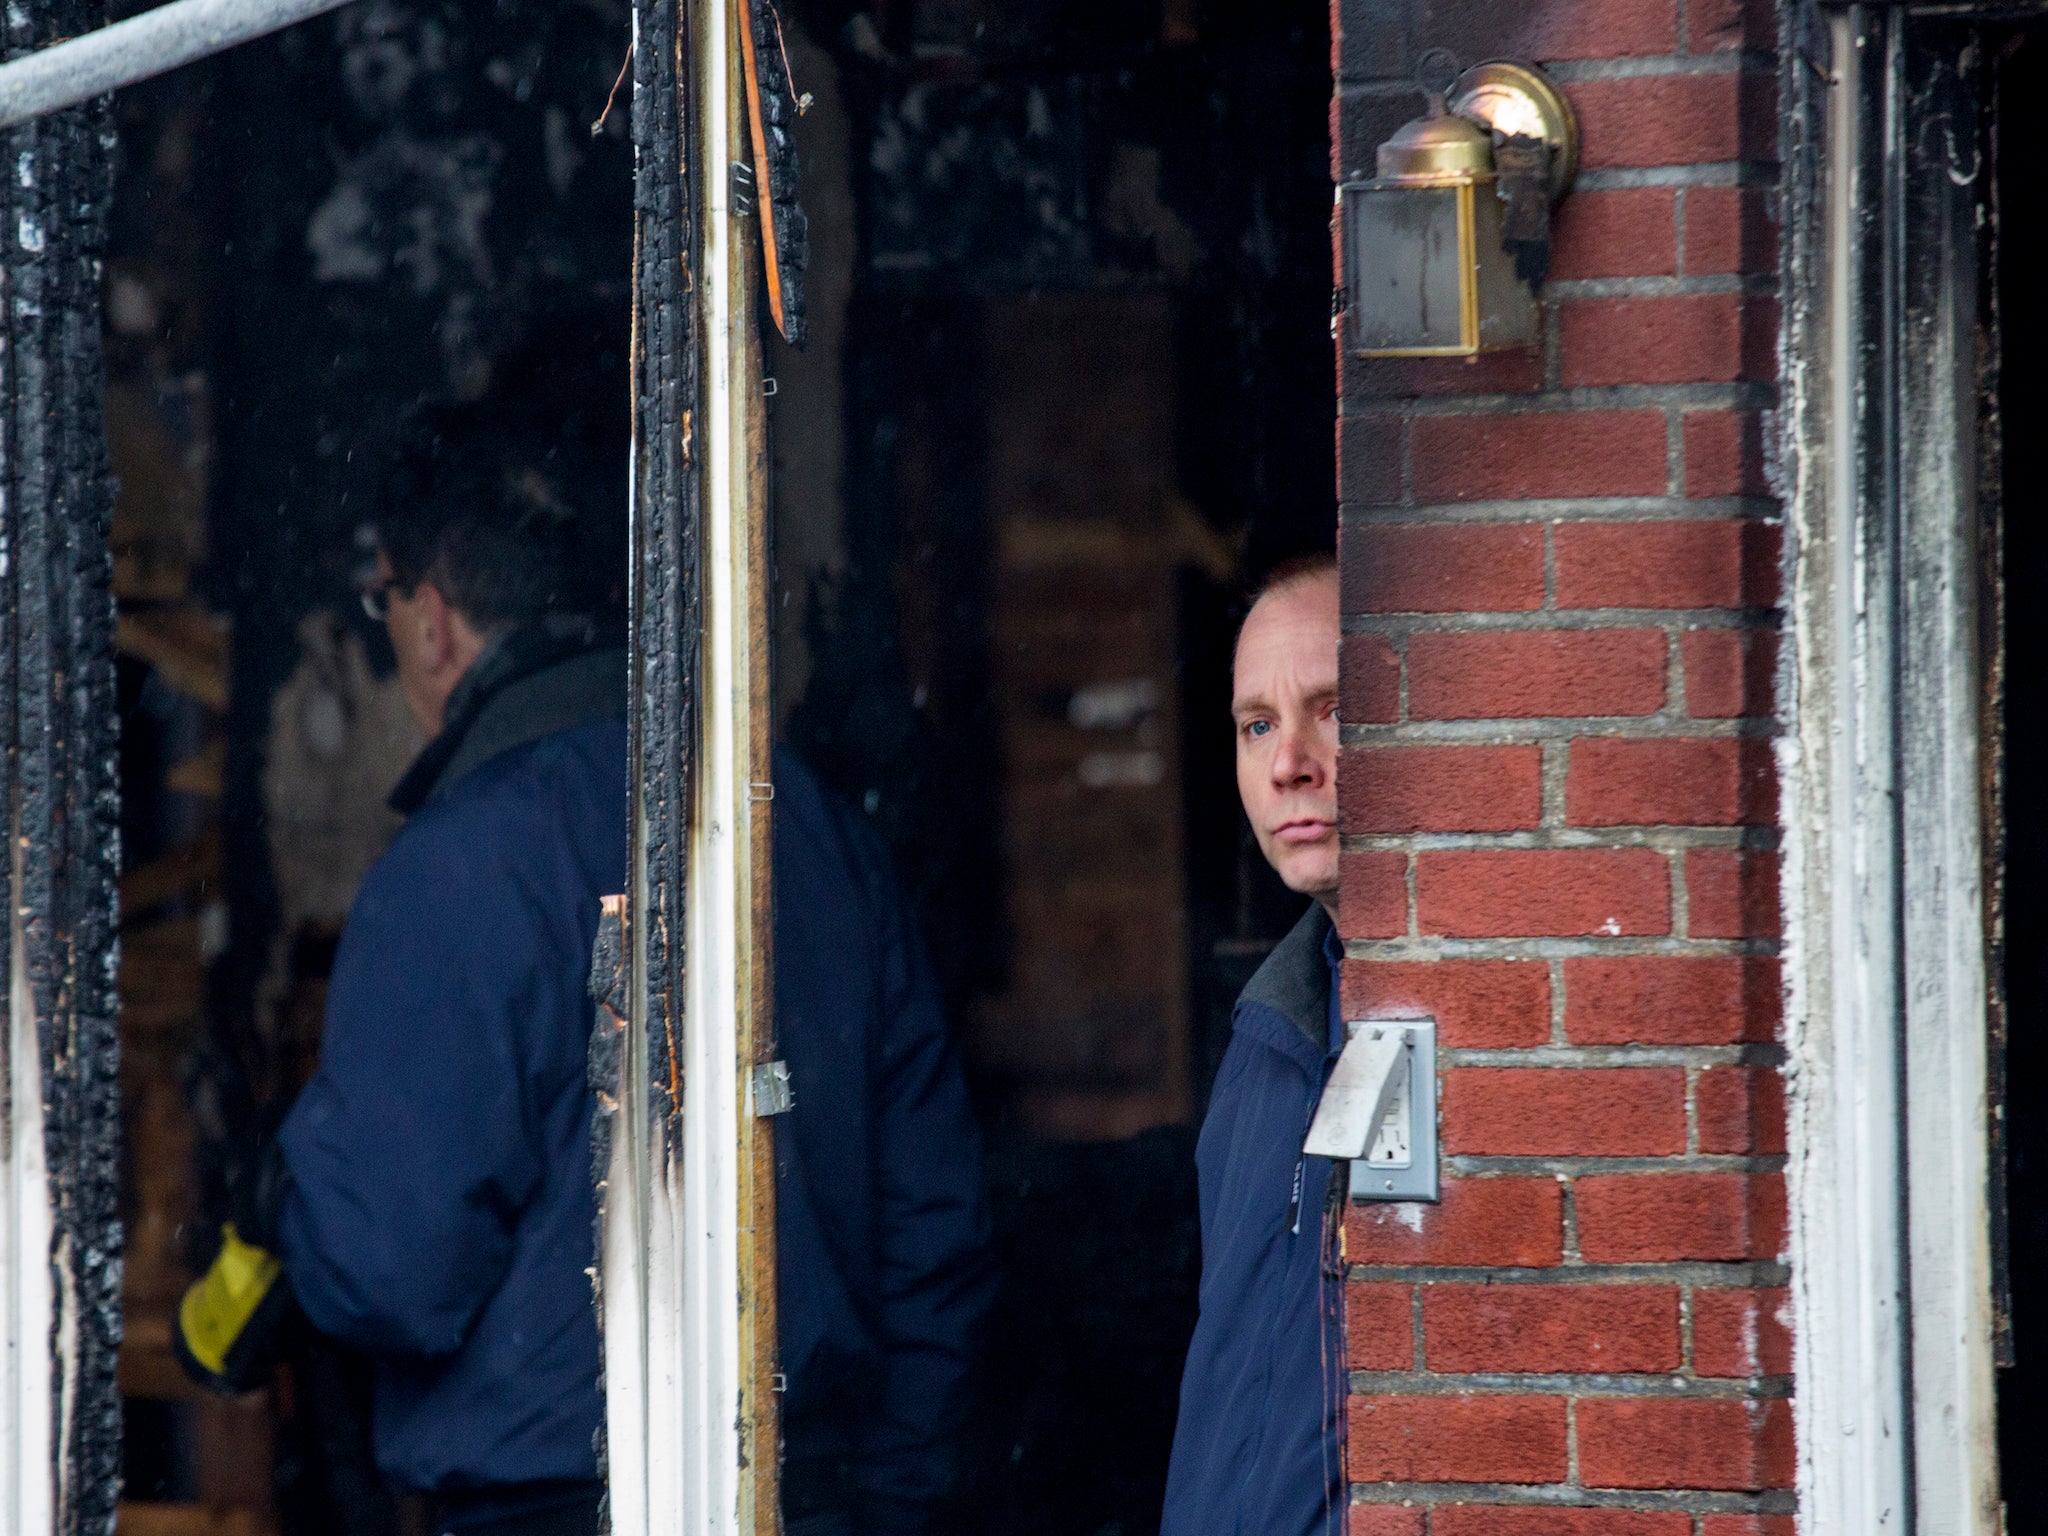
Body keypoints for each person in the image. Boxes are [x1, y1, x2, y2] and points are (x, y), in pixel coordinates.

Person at [178, 400, 994, 1536]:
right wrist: (888, 1497)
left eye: (384, 603)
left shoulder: (451, 871)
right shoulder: (802, 827)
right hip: (818, 1496)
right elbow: (934, 1227)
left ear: (430, 622)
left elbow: (394, 1272)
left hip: (554, 1506)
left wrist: (292, 1205)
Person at [1159, 554, 1346, 1536]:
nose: (1287, 763)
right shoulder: (1264, 1045)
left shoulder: (1478, 1024)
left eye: (1331, 708)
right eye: (1257, 725)